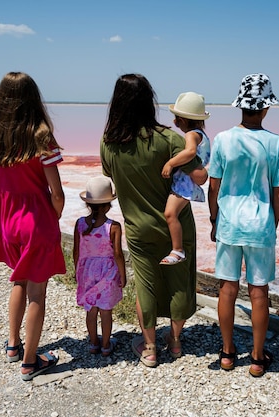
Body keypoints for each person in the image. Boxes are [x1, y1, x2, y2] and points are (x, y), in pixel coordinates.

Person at [100, 74, 208, 367]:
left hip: (138, 227)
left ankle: (149, 348)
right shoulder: (169, 139)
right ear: (149, 102)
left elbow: (110, 175)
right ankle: (174, 342)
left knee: (145, 286)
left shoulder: (108, 144)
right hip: (176, 224)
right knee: (179, 284)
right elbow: (200, 176)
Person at [208, 73, 279, 377]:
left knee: (227, 288)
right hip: (260, 225)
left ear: (240, 106)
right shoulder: (276, 143)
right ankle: (257, 358)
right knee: (259, 292)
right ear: (266, 107)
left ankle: (228, 353)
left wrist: (215, 219)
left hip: (229, 222)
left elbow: (214, 187)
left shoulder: (223, 139)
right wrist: (272, 222)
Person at [0, 72, 65, 381]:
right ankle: (31, 363)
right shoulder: (42, 137)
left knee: (18, 280)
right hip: (36, 222)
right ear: (33, 98)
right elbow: (56, 193)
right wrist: (52, 218)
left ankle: (13, 346)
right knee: (37, 294)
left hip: (6, 222)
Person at [73, 176, 127, 357]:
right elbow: (118, 254)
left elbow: (76, 251)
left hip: (86, 270)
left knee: (91, 309)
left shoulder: (80, 223)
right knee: (106, 310)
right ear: (108, 205)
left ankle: (93, 343)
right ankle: (105, 345)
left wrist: (77, 271)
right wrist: (123, 274)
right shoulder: (114, 226)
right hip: (108, 272)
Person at [160, 92, 211, 265]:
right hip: (187, 181)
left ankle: (178, 250)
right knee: (174, 213)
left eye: (176, 118)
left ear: (183, 120)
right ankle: (178, 248)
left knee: (170, 213)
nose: (174, 122)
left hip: (185, 183)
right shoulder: (201, 134)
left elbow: (190, 152)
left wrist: (170, 163)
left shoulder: (191, 135)